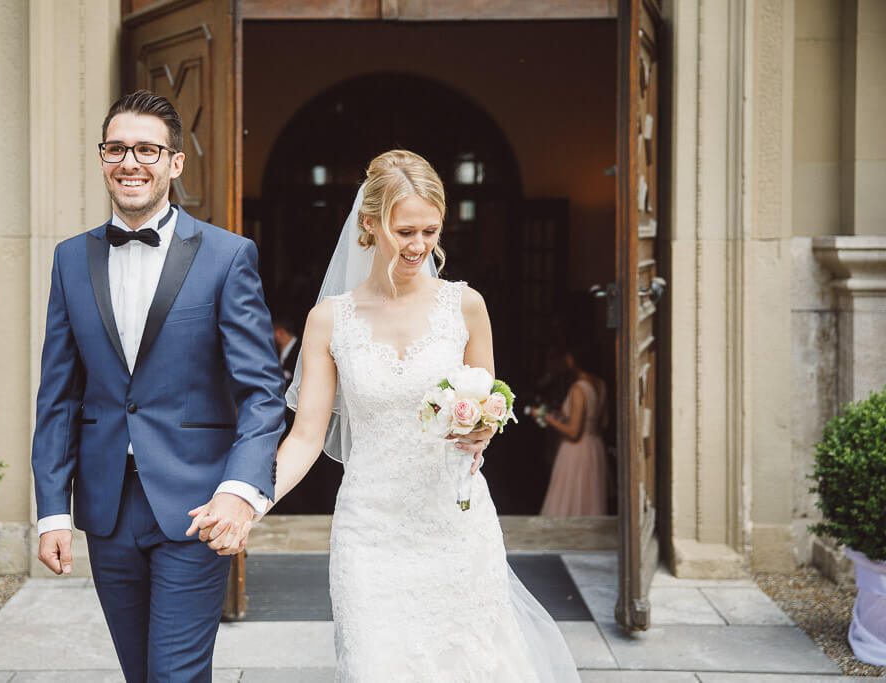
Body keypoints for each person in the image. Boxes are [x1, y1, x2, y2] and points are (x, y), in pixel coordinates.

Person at [191, 150, 580, 680]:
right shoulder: (330, 321)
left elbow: (491, 402)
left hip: (455, 527)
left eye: (430, 230)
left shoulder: (466, 306)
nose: (420, 246)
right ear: (369, 225)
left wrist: (483, 427)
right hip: (369, 532)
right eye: (405, 231)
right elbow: (305, 438)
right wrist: (248, 502)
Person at [30, 90, 284, 682]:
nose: (130, 162)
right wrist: (51, 512)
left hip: (196, 504)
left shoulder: (227, 257)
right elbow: (58, 394)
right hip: (107, 508)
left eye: (147, 149)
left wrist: (241, 490)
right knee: (141, 674)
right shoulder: (71, 259)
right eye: (116, 149)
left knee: (175, 675)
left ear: (175, 162)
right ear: (102, 159)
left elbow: (262, 393)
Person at [540, 343, 608, 517]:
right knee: (588, 500)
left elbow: (573, 432)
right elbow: (604, 423)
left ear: (572, 359)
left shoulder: (578, 388)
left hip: (576, 450)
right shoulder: (601, 384)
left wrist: (548, 419)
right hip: (595, 447)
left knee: (569, 501)